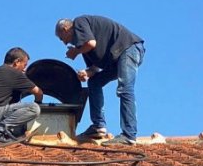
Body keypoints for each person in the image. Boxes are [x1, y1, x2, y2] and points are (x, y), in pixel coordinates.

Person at [55, 15, 145, 145]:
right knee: (94, 82)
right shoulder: (83, 47)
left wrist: (75, 52)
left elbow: (91, 43)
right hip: (115, 59)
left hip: (128, 48)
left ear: (65, 29)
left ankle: (129, 135)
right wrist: (86, 73)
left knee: (125, 89)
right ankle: (98, 126)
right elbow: (95, 68)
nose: (65, 43)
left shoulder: (79, 22)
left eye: (62, 38)